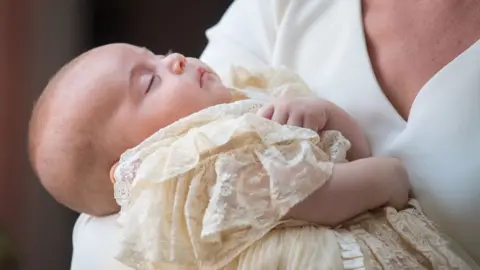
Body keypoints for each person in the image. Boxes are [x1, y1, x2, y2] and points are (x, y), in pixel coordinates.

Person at [68, 0, 480, 269]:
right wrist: (385, 179)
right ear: (130, 164)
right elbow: (309, 197)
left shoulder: (244, 101)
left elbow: (349, 152)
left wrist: (325, 114)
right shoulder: (194, 167)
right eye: (148, 83)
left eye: (157, 56)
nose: (173, 60)